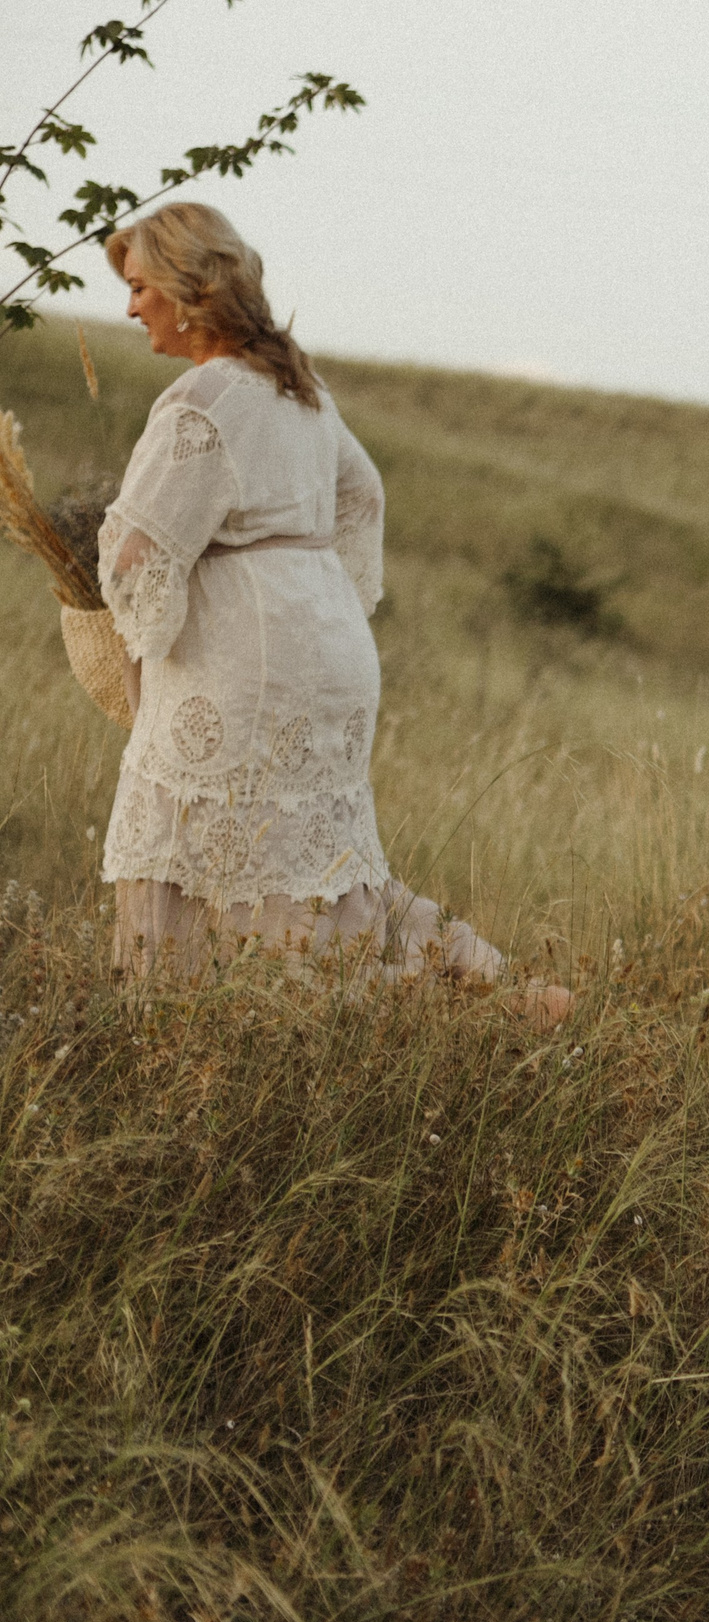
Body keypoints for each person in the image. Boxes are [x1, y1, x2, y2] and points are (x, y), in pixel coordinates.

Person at [95, 203, 568, 1023]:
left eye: (139, 287)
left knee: (194, 853)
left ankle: (446, 1016)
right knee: (328, 863)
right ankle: (487, 983)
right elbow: (366, 493)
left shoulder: (203, 398)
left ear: (187, 286)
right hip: (328, 647)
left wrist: (141, 628)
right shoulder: (297, 386)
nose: (131, 307)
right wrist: (318, 588)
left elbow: (134, 557)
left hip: (246, 660)